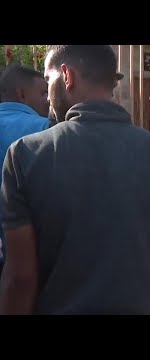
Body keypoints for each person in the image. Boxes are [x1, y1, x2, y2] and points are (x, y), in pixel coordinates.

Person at [0, 45, 150, 315]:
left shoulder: (24, 155)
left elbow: (21, 279)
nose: (46, 96)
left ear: (66, 76)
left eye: (48, 80)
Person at [0, 64, 50, 275]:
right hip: (28, 254)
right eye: (42, 92)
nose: (47, 99)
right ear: (21, 94)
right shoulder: (47, 130)